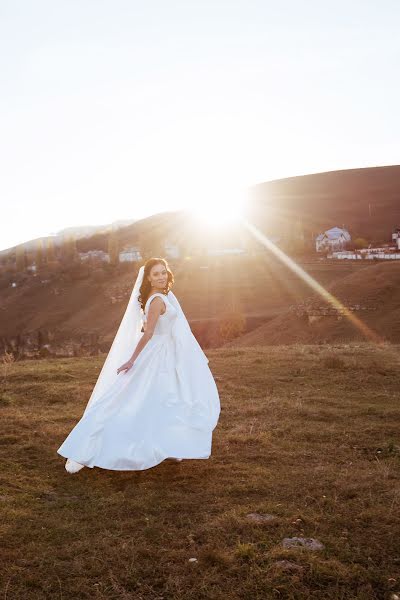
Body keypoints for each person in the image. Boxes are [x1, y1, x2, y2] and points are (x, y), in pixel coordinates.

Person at [57, 257, 221, 472]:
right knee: (140, 399)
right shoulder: (157, 301)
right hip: (157, 355)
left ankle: (169, 446)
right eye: (156, 274)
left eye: (163, 272)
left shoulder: (166, 295)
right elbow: (149, 333)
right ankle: (94, 447)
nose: (161, 276)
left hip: (169, 354)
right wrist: (132, 360)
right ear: (149, 279)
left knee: (167, 400)